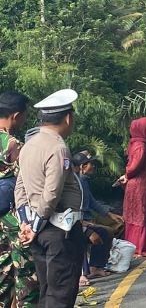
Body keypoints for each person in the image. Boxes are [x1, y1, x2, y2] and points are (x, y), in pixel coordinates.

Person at [15, 89, 85, 308]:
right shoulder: (58, 147)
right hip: (58, 230)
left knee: (47, 291)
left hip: (38, 232)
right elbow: (51, 192)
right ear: (67, 118)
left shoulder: (28, 146)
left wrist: (26, 223)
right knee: (61, 294)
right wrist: (35, 226)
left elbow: (20, 187)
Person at [0, 92, 38, 307]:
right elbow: (28, 183)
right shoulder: (13, 145)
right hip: (13, 221)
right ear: (15, 116)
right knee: (27, 276)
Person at [73, 151, 123, 283]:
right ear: (83, 167)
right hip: (77, 221)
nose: (93, 167)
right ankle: (81, 273)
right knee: (82, 238)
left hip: (85, 220)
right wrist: (85, 225)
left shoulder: (84, 182)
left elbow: (93, 202)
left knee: (106, 232)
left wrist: (109, 214)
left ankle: (95, 267)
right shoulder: (75, 183)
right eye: (91, 164)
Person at [117, 117, 146, 258]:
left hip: (138, 184)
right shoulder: (141, 146)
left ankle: (138, 245)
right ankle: (140, 247)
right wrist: (127, 174)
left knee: (137, 214)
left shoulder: (136, 144)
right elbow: (134, 167)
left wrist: (126, 175)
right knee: (141, 214)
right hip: (140, 186)